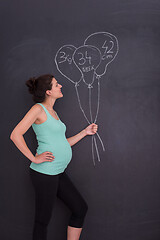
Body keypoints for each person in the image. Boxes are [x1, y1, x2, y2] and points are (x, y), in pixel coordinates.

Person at [10, 74, 98, 240]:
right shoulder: (37, 109)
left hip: (57, 172)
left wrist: (84, 133)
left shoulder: (53, 112)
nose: (61, 86)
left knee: (80, 208)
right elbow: (15, 135)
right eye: (57, 85)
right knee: (42, 221)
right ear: (48, 92)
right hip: (44, 173)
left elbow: (61, 143)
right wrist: (34, 158)